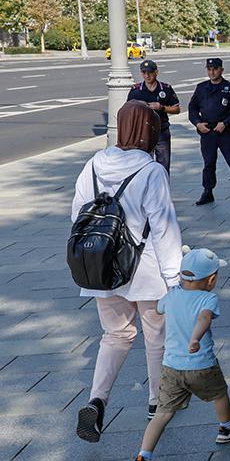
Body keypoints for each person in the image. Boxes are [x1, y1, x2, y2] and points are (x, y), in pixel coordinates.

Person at [71, 101, 183, 442]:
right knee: (156, 337)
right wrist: (175, 279)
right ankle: (155, 403)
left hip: (102, 268)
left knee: (115, 335)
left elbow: (77, 215)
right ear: (149, 130)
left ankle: (97, 400)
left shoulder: (93, 165)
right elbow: (164, 228)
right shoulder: (150, 171)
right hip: (145, 270)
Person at [123, 247, 230, 461]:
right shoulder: (208, 298)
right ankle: (226, 428)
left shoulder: (171, 296)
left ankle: (142, 459)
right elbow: (204, 317)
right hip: (201, 364)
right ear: (211, 280)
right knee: (219, 393)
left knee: (162, 414)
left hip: (171, 367)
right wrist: (195, 338)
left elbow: (159, 308)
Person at [189, 57, 230, 206]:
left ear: (221, 70)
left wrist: (226, 123)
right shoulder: (201, 88)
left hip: (225, 131)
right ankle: (207, 191)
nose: (212, 72)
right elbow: (192, 109)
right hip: (207, 131)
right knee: (208, 163)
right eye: (209, 69)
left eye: (215, 69)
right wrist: (197, 123)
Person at [126, 60, 181, 173]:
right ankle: (146, 190)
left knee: (163, 167)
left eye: (150, 72)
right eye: (144, 72)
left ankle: (162, 189)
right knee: (143, 166)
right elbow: (128, 111)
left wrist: (162, 107)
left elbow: (177, 109)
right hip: (143, 133)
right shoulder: (136, 90)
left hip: (161, 132)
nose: (147, 75)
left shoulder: (165, 89)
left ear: (156, 72)